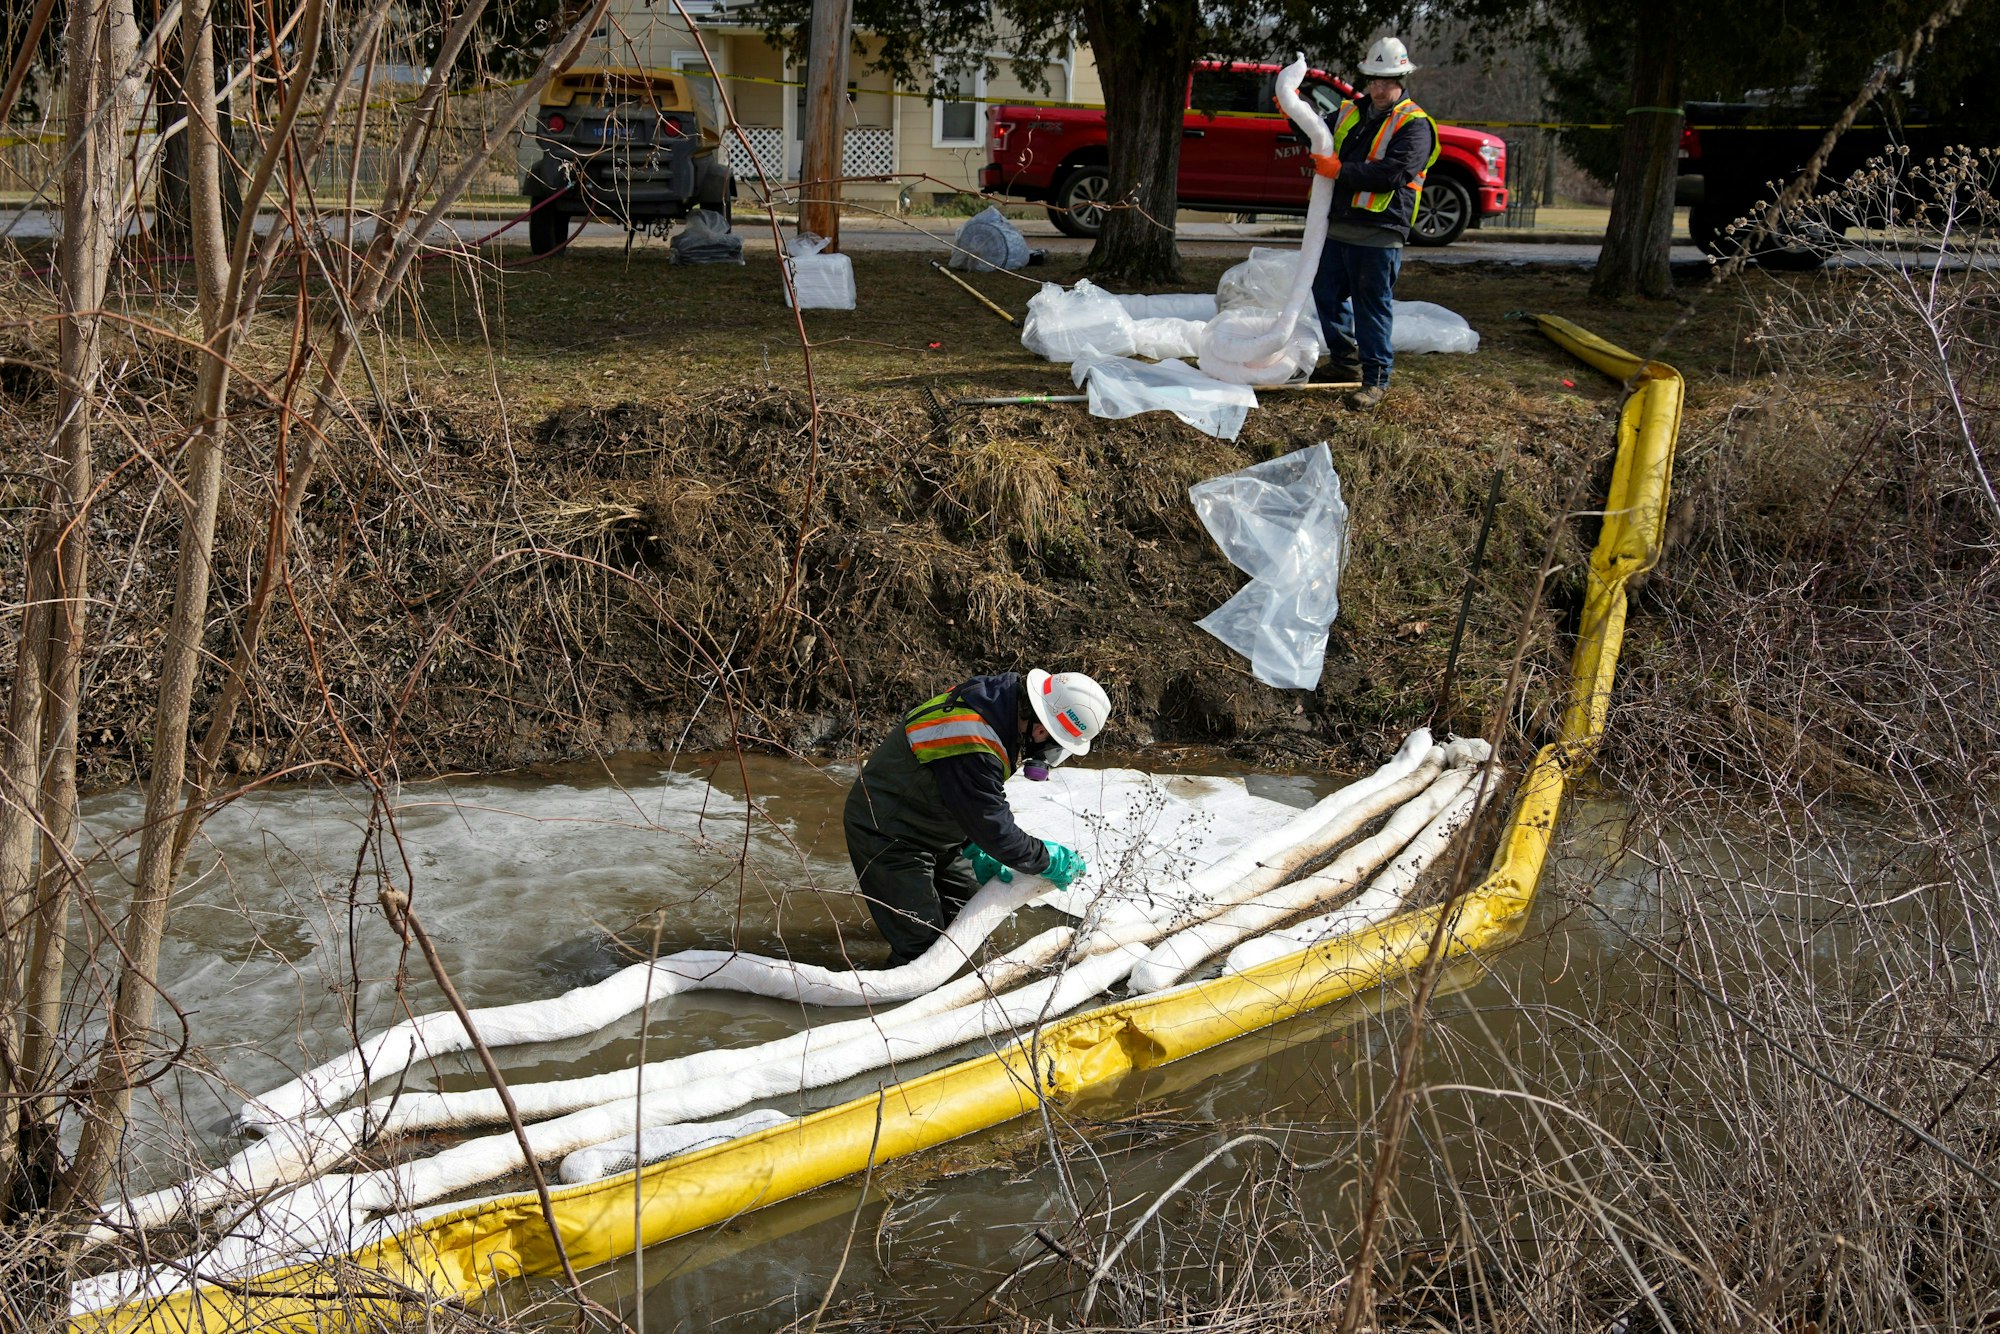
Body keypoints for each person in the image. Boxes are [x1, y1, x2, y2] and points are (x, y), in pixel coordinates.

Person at [843, 669, 1110, 966]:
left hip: (932, 826)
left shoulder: (997, 704)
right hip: (889, 832)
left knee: (969, 922)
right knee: (924, 951)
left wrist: (972, 845)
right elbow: (996, 829)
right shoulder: (976, 740)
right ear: (1041, 731)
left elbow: (961, 793)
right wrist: (1046, 859)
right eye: (1057, 745)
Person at [1308, 36, 1439, 412]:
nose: (1380, 89)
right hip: (1341, 224)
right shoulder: (1351, 112)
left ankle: (1375, 379)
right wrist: (1293, 110)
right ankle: (1343, 361)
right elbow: (1316, 131)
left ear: (1402, 80)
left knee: (1372, 304)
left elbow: (1393, 173)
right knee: (1326, 294)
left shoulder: (1415, 125)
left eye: (1388, 81)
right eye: (1374, 81)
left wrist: (1341, 171)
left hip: (1381, 231)